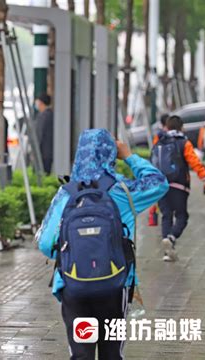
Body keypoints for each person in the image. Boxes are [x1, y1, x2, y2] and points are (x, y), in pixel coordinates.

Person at [36, 129, 169, 359]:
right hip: (116, 285)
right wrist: (128, 155)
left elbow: (46, 243)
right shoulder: (123, 190)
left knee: (81, 353)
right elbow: (159, 183)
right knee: (111, 353)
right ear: (110, 154)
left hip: (73, 285)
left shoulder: (66, 193)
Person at [153, 116, 205, 262]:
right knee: (182, 216)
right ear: (181, 127)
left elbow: (152, 162)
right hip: (180, 186)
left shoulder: (159, 141)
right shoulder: (183, 142)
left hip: (162, 186)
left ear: (166, 127)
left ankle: (167, 251)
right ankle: (171, 238)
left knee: (166, 215)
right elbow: (194, 161)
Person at [34, 93, 54, 174]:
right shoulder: (51, 114)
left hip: (42, 153)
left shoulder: (43, 116)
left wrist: (35, 151)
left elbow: (39, 135)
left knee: (42, 175)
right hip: (49, 152)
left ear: (41, 103)